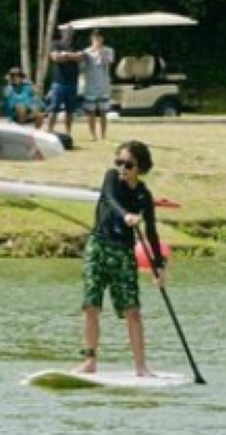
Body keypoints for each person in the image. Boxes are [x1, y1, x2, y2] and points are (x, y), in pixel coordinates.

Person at [76, 140, 165, 377]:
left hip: (123, 253)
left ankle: (140, 367)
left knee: (132, 311)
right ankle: (90, 361)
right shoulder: (111, 178)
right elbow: (109, 199)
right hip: (99, 246)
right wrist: (126, 215)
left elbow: (152, 232)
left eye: (128, 164)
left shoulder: (144, 196)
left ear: (140, 167)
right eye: (119, 162)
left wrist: (159, 266)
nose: (122, 168)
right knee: (91, 305)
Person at [45, 24, 83, 137]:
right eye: (66, 31)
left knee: (70, 111)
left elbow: (80, 57)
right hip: (58, 82)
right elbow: (55, 58)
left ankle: (68, 133)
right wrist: (71, 56)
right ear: (62, 33)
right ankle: (49, 130)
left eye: (71, 31)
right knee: (53, 108)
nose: (68, 33)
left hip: (72, 82)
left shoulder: (77, 45)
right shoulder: (55, 44)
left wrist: (65, 55)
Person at [82, 29, 115, 142]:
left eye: (99, 38)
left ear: (102, 39)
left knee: (103, 112)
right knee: (90, 112)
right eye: (95, 38)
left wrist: (100, 52)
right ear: (91, 39)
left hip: (103, 85)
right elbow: (82, 66)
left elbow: (108, 62)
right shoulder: (86, 52)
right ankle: (92, 135)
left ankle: (103, 135)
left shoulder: (108, 50)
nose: (97, 40)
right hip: (90, 85)